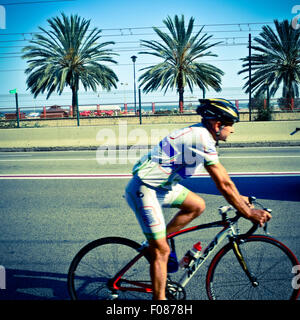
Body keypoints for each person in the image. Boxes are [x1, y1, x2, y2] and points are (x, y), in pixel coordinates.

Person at [125, 98, 272, 300]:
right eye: (231, 125)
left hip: (162, 187)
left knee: (197, 205)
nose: (233, 130)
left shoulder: (202, 135)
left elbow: (225, 181)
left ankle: (156, 242)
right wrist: (247, 212)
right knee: (162, 251)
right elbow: (223, 183)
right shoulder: (201, 138)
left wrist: (240, 198)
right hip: (145, 189)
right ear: (218, 125)